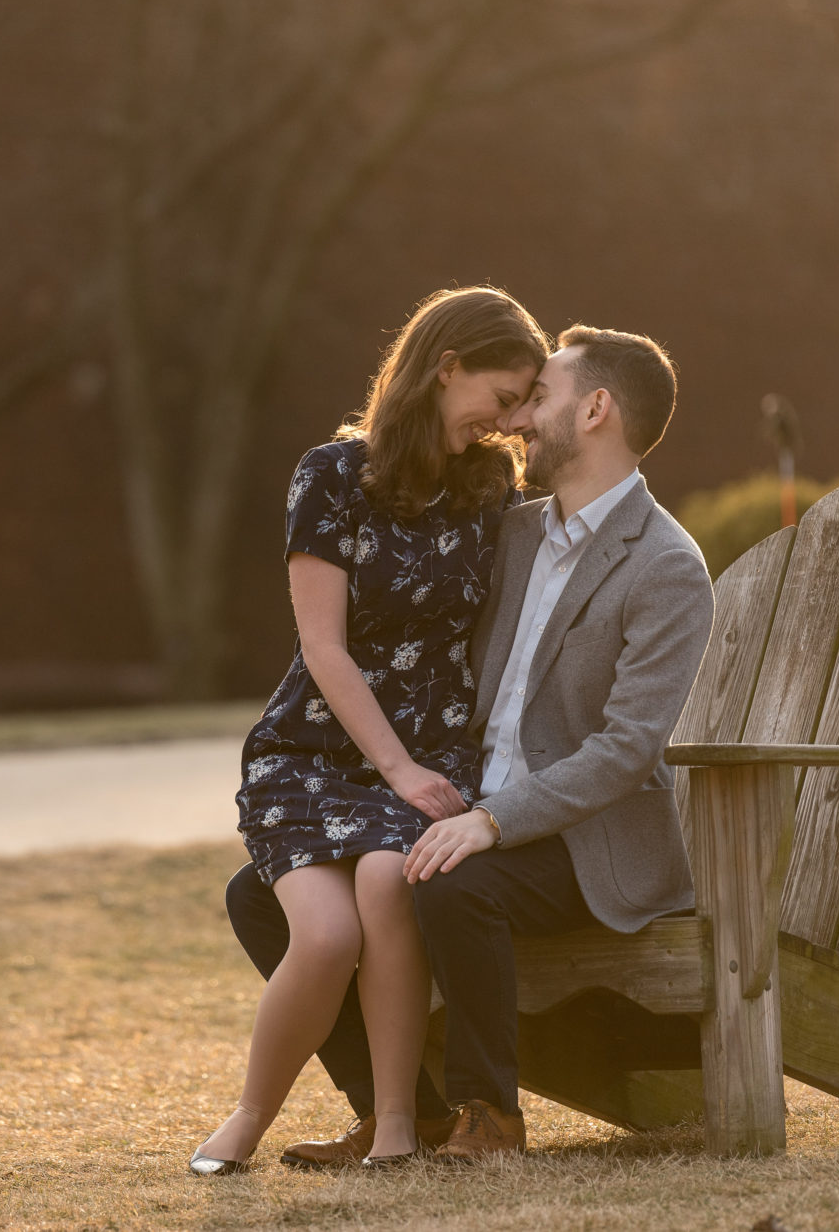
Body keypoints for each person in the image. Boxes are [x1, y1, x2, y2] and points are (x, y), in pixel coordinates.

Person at [224, 323, 715, 1166]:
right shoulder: (510, 532)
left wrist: (488, 824)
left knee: (454, 885)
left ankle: (489, 1116)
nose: (518, 419)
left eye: (540, 397)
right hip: (473, 807)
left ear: (596, 409)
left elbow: (625, 750)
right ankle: (399, 1118)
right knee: (258, 895)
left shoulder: (664, 565)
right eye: (515, 398)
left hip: (585, 840)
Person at [188, 288, 549, 1176]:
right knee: (324, 938)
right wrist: (392, 767)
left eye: (518, 409)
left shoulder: (488, 486)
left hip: (431, 759)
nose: (505, 424)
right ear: (445, 365)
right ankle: (245, 1118)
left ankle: (396, 1128)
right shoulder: (331, 474)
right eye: (499, 400)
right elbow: (322, 646)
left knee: (391, 883)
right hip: (319, 753)